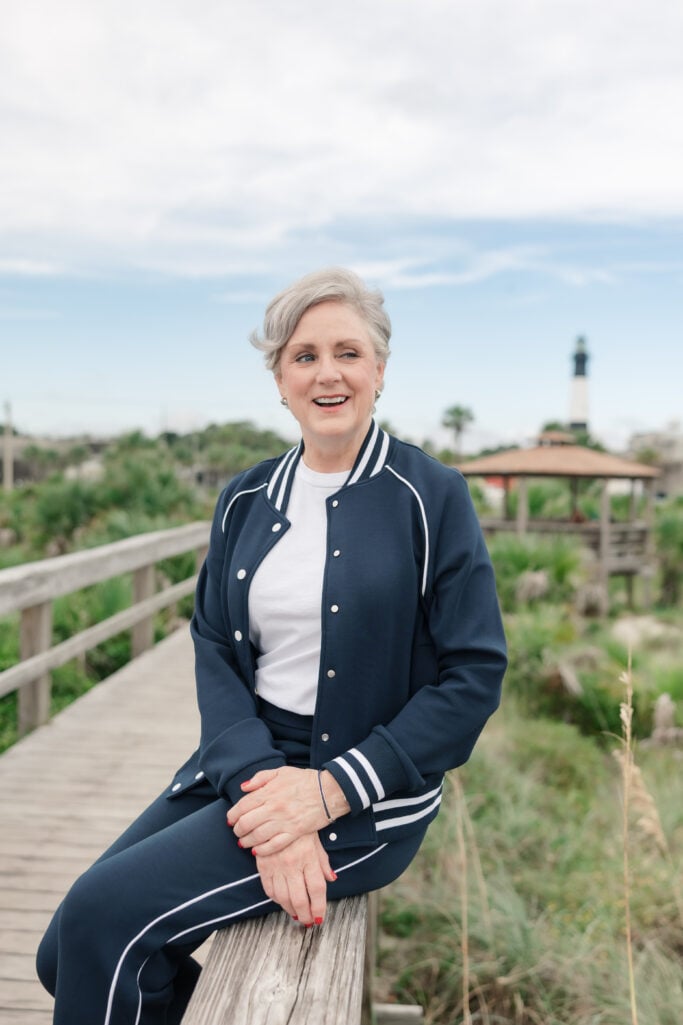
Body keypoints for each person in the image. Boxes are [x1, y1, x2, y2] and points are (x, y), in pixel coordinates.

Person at [36, 267, 507, 1025]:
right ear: (279, 376)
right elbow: (214, 644)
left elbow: (473, 675)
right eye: (304, 354)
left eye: (348, 352)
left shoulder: (431, 495)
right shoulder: (247, 498)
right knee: (63, 951)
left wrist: (327, 793)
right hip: (248, 764)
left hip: (366, 792)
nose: (328, 373)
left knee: (101, 921)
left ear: (379, 370)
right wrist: (265, 792)